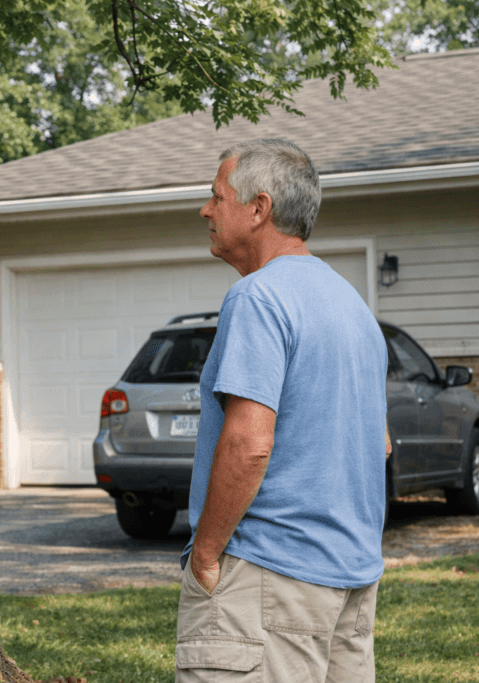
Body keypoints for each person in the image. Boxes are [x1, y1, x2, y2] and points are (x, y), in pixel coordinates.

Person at [175, 139, 388, 682]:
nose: (205, 210)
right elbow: (380, 444)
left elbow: (248, 443)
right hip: (351, 580)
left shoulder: (257, 298)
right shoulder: (353, 308)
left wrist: (205, 555)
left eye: (216, 196)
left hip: (268, 576)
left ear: (259, 208)